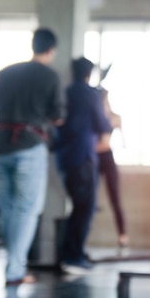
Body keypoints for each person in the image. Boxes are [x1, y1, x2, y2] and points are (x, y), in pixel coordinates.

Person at [0, 27, 62, 287]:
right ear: (51, 50)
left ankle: (13, 266)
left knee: (7, 210)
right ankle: (14, 271)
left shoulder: (8, 72)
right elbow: (58, 116)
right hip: (30, 146)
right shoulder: (50, 77)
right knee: (26, 211)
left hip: (1, 146)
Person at [55, 57, 112, 275]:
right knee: (84, 209)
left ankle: (73, 253)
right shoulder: (90, 95)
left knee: (78, 208)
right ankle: (73, 256)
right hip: (83, 159)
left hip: (65, 159)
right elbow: (103, 124)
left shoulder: (66, 92)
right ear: (89, 74)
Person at [96, 87, 129, 248]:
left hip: (107, 157)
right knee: (88, 198)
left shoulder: (114, 117)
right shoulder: (94, 116)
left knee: (115, 198)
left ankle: (123, 235)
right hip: (94, 157)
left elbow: (122, 143)